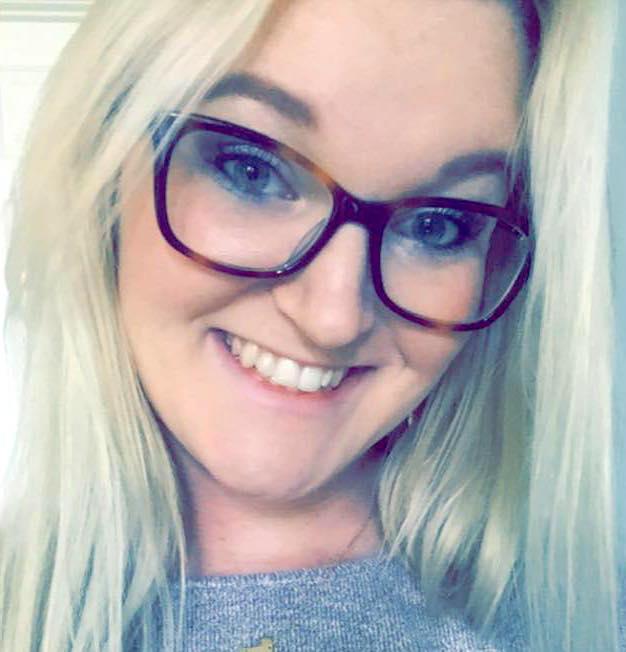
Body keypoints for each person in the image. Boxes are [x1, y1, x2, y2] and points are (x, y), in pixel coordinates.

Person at [0, 0, 621, 650]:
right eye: (251, 170)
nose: (334, 319)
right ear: (104, 167)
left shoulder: (579, 618)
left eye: (439, 226)